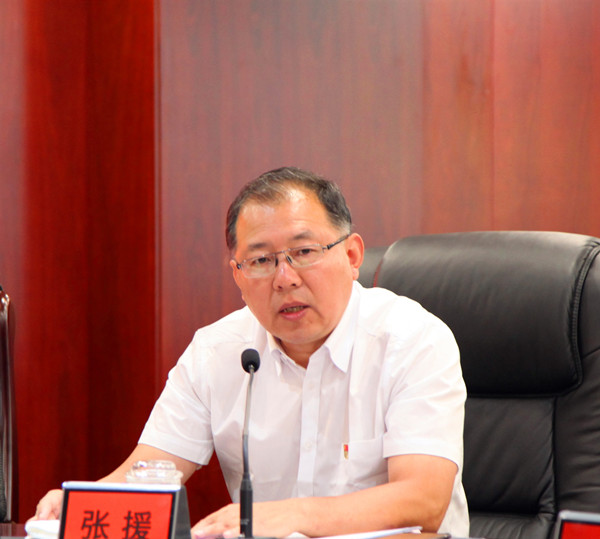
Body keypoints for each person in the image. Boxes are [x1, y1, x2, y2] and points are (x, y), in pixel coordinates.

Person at [33, 166, 469, 537]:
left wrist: (291, 516)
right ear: (238, 277)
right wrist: (81, 505)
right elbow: (150, 475)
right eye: (260, 261)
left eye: (304, 252)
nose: (284, 278)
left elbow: (424, 500)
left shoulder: (413, 340)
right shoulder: (217, 352)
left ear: (352, 255)